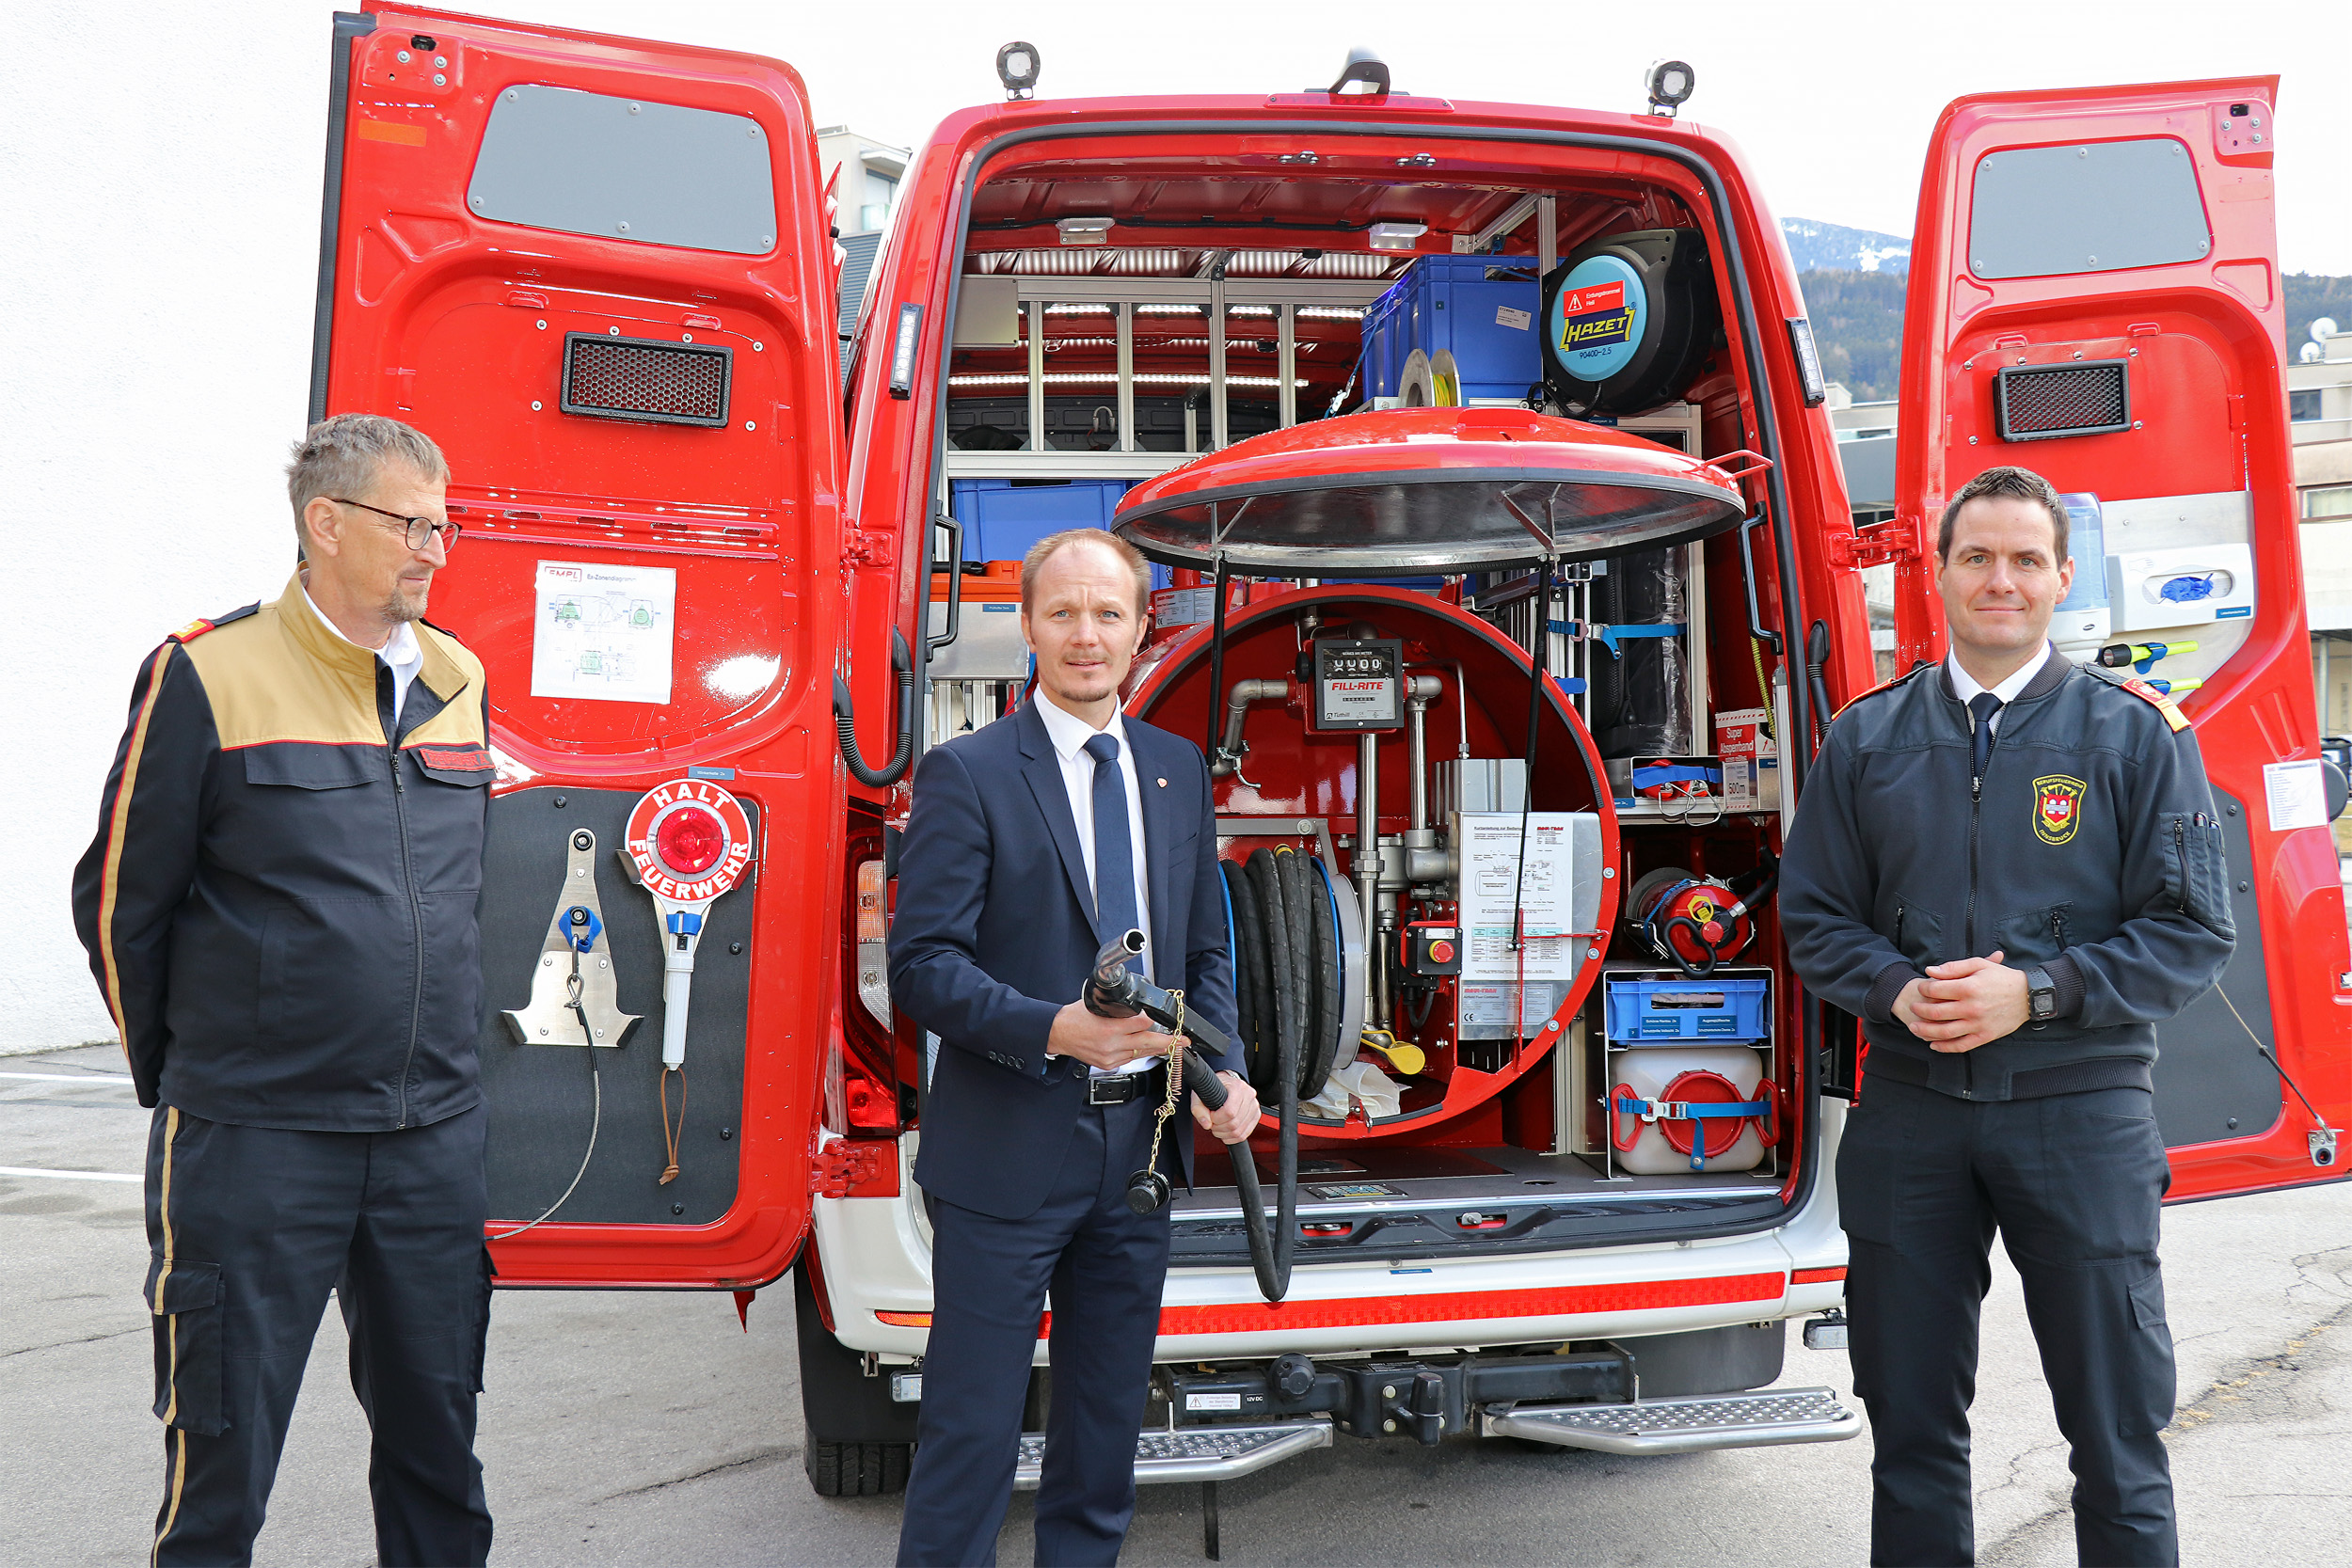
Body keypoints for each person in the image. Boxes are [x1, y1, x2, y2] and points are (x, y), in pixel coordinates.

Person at [1781, 465, 2234, 1566]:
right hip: (1911, 1115)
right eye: (1976, 556)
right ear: (1934, 573)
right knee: (1911, 1435)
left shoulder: (2134, 738)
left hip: (2079, 1115)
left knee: (2119, 1432)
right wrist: (1896, 988)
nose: (2001, 578)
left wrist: (2033, 991)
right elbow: (1813, 917)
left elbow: (2189, 931)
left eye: (2025, 558)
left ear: (2061, 579)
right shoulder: (1865, 739)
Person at [72, 414, 496, 1567]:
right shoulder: (207, 673)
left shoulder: (458, 676)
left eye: (442, 523)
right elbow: (119, 901)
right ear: (325, 523)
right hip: (259, 1139)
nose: (434, 547)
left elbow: (459, 903)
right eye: (412, 523)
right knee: (220, 1460)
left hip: (428, 1139)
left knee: (439, 1456)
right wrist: (198, 1074)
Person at [888, 527, 1261, 1566]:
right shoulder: (967, 774)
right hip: (1008, 1149)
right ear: (1028, 627)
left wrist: (1216, 1069)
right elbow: (922, 968)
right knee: (971, 1431)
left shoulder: (1176, 769)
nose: (1085, 635)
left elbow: (1200, 945)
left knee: (1102, 1436)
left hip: (1137, 1153)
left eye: (1108, 613)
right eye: (1062, 612)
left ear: (1144, 628)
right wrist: (1054, 1026)